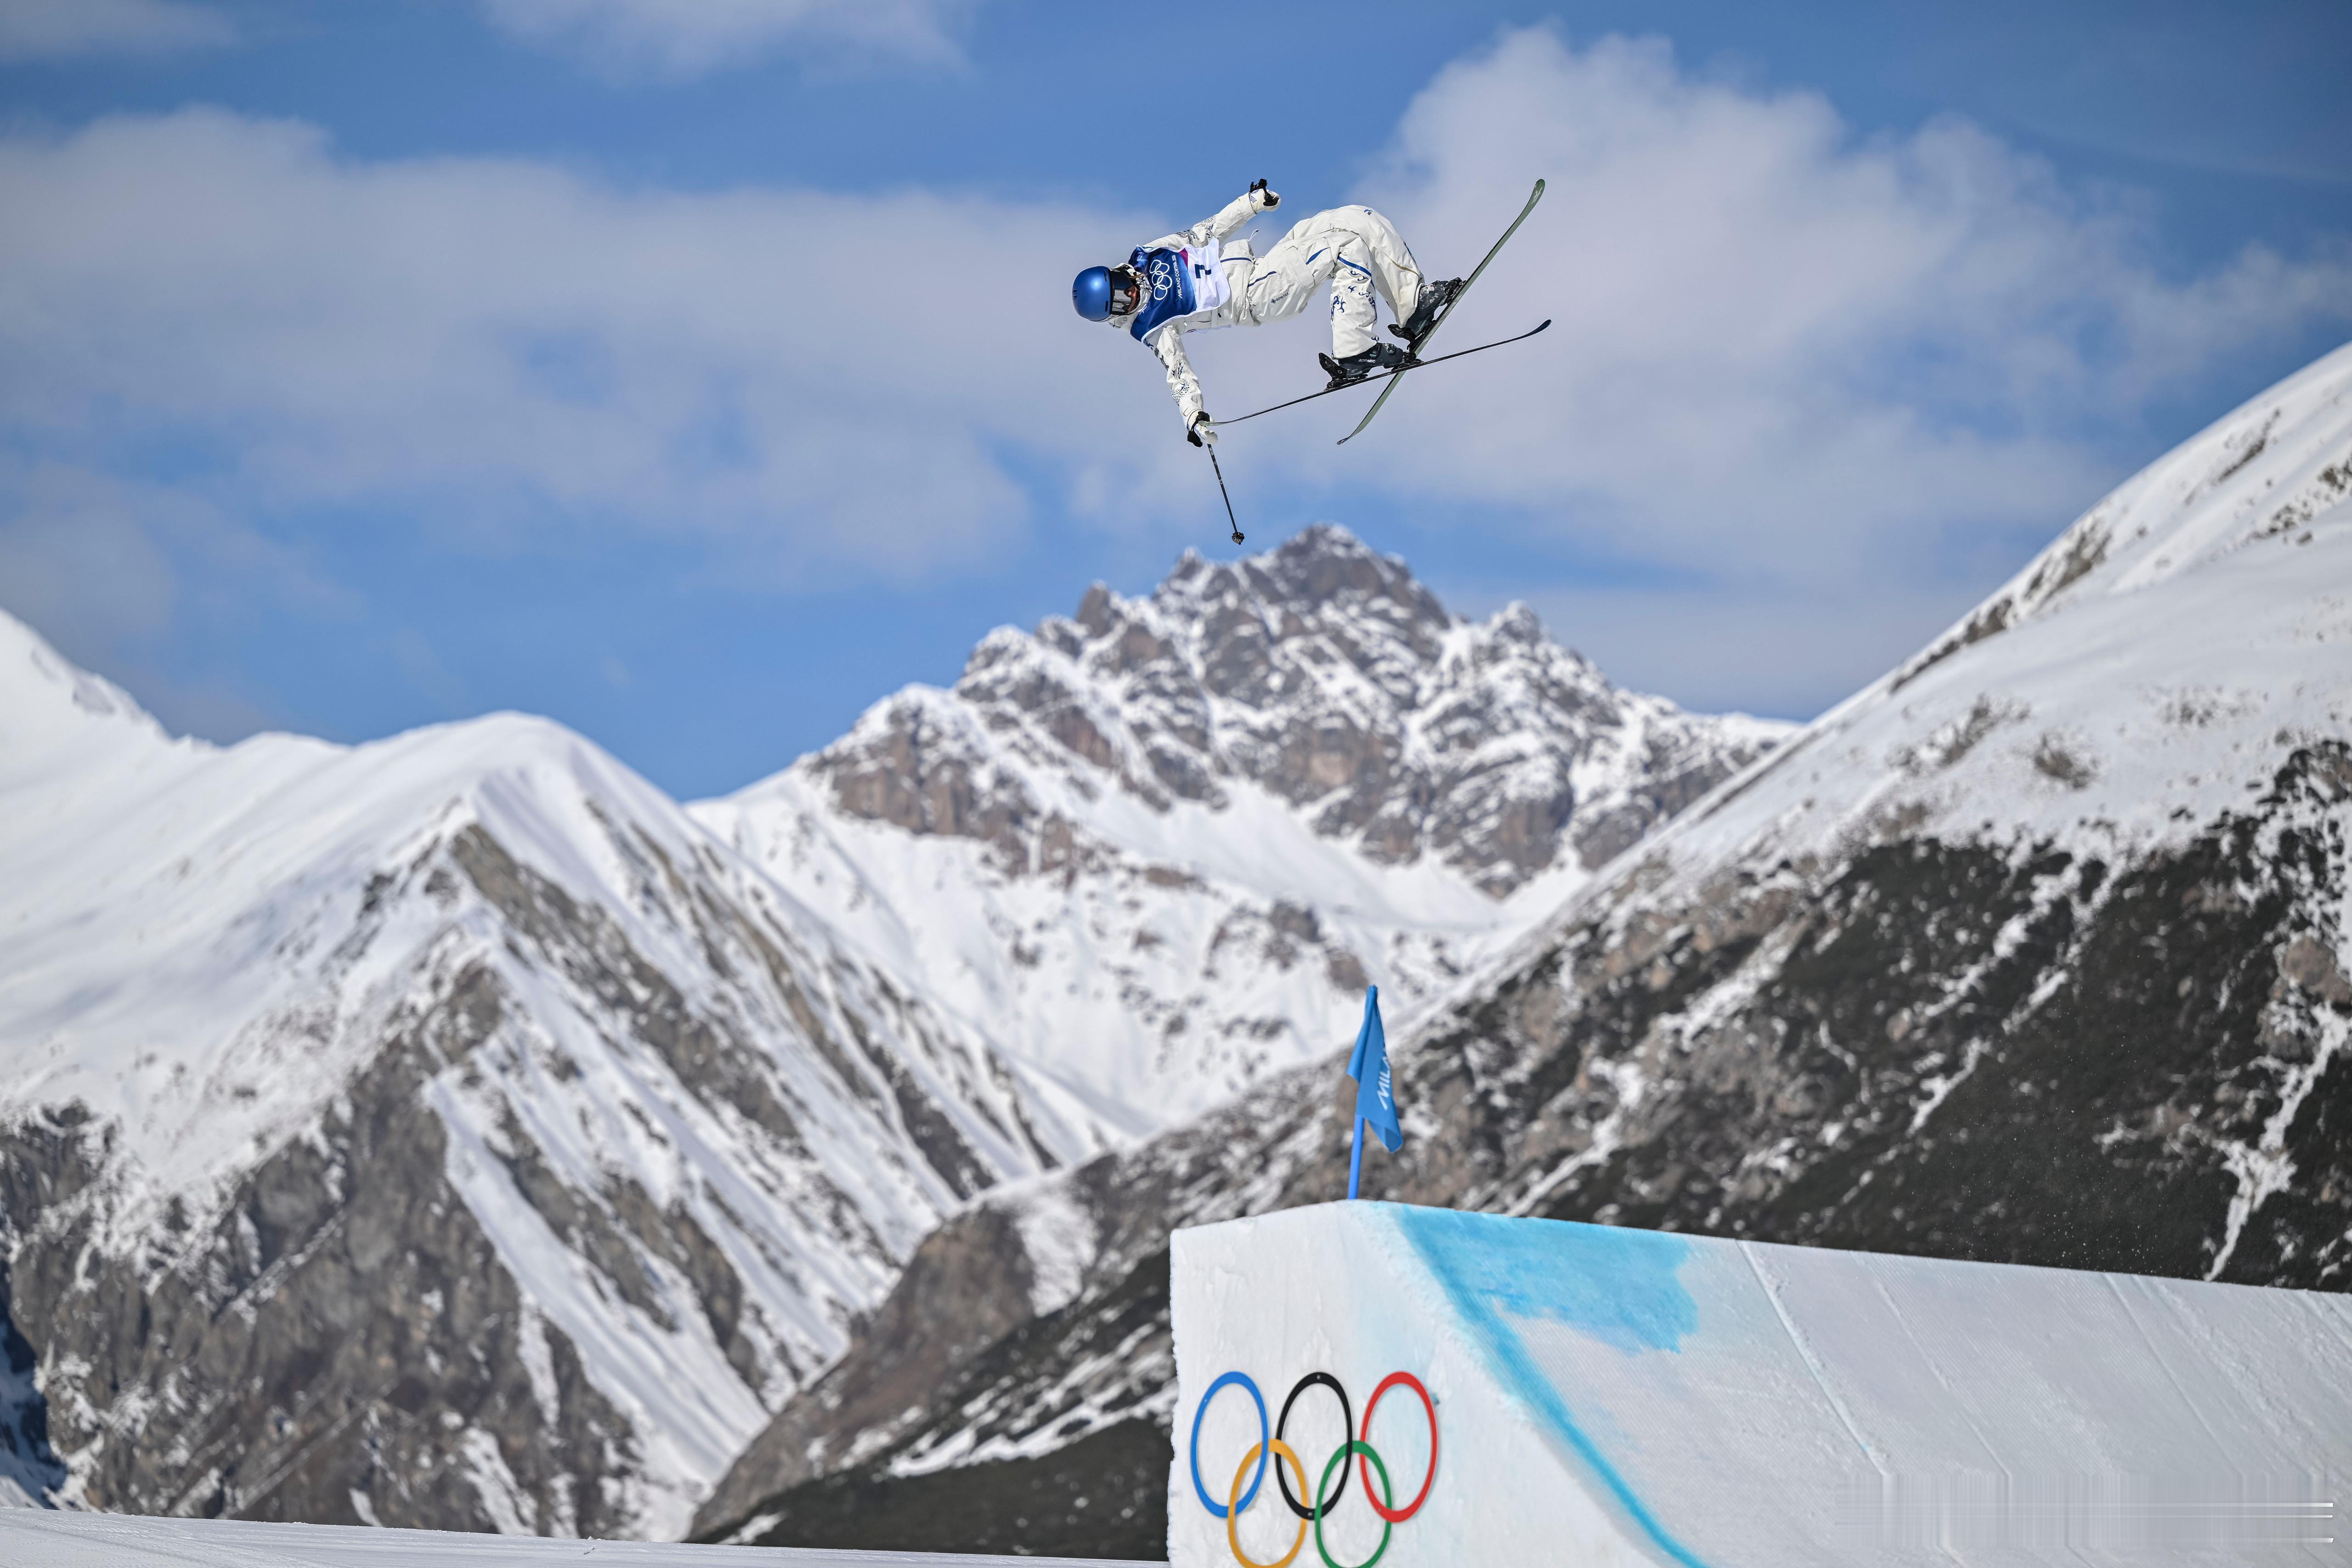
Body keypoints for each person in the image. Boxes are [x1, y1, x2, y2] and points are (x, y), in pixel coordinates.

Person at [1072, 181, 1462, 447]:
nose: (1132, 295)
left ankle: (1413, 307)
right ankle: (1354, 349)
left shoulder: (1148, 255)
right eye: (1121, 304)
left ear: (1116, 273)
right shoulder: (1149, 324)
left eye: (1122, 288)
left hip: (1262, 264)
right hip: (1257, 295)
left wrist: (1250, 204)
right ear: (1115, 315)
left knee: (1354, 219)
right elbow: (1177, 372)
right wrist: (1194, 416)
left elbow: (1203, 233)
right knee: (1346, 247)